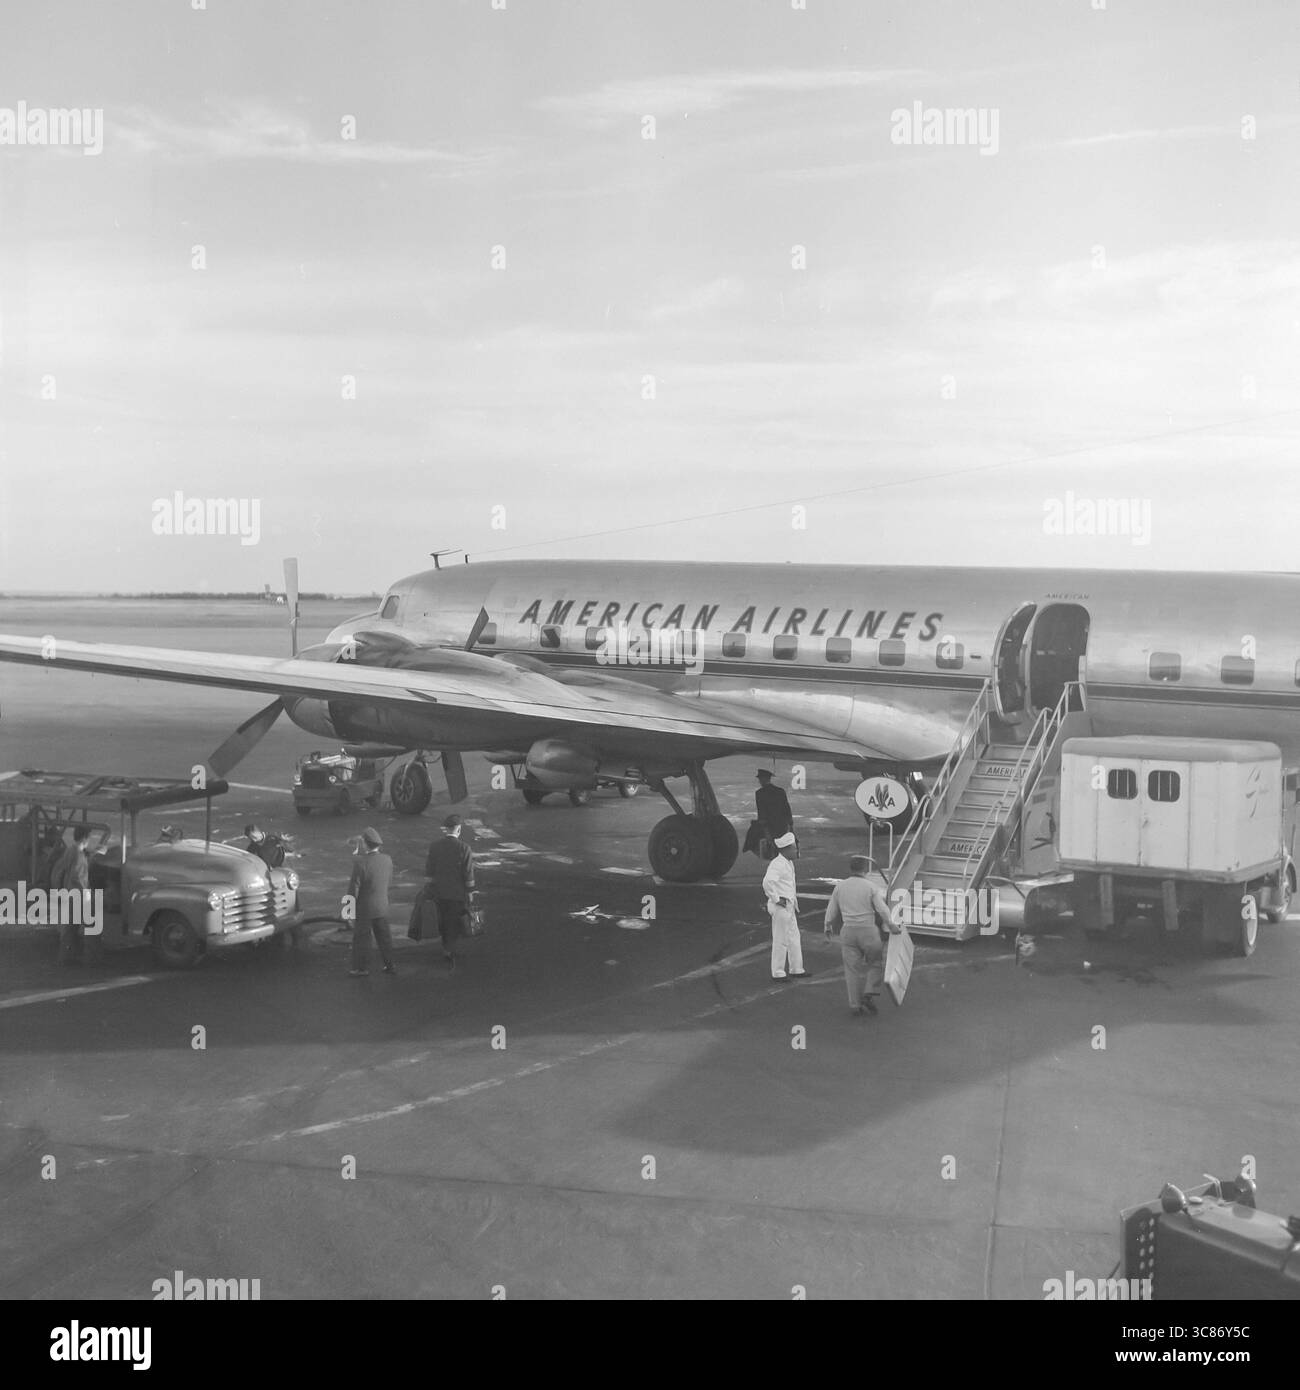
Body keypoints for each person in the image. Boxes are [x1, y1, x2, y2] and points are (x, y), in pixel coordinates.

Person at [823, 855, 902, 1017]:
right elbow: (882, 909)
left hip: (848, 931)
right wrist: (892, 925)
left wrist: (827, 925)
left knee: (851, 969)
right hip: (868, 932)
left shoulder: (840, 887)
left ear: (850, 869)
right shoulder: (871, 887)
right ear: (865, 870)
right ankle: (869, 992)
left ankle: (854, 1005)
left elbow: (832, 909)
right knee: (875, 963)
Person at [424, 814, 477, 968]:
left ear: (446, 829)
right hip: (457, 894)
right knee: (453, 921)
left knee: (443, 919)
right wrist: (470, 892)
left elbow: (429, 871)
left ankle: (445, 946)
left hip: (439, 892)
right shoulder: (464, 848)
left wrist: (429, 888)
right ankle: (449, 948)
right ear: (459, 830)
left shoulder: (435, 846)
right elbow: (468, 874)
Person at [346, 826, 395, 976]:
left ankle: (361, 968)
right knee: (384, 938)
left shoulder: (360, 863)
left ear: (366, 844)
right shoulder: (387, 860)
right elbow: (389, 882)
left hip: (364, 909)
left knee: (362, 939)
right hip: (382, 907)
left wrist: (348, 913)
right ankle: (390, 965)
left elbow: (352, 891)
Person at [762, 831, 807, 981]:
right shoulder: (778, 864)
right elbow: (767, 882)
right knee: (781, 939)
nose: (797, 851)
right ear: (786, 849)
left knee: (794, 937)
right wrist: (775, 898)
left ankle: (796, 968)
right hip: (781, 907)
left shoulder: (788, 863)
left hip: (788, 906)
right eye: (794, 848)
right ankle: (778, 972)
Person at [51, 826, 94, 965]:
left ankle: (65, 957)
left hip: (70, 891)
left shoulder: (70, 850)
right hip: (79, 893)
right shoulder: (77, 853)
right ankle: (90, 958)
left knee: (70, 927)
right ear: (84, 838)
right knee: (91, 926)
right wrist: (86, 891)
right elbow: (77, 874)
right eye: (89, 837)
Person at [754, 769, 794, 855]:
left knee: (771, 848)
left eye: (760, 779)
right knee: (782, 847)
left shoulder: (759, 793)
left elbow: (761, 813)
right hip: (782, 825)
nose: (759, 781)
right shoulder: (780, 791)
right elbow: (787, 808)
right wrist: (790, 825)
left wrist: (765, 830)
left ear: (763, 779)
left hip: (769, 826)